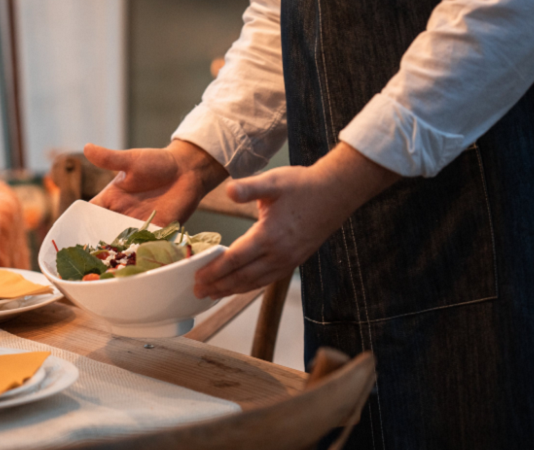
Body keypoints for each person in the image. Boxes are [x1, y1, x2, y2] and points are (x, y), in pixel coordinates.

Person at [84, 0, 534, 448]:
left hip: (470, 238)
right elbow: (279, 19)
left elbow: (503, 19)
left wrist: (343, 178)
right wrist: (194, 160)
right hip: (343, 260)